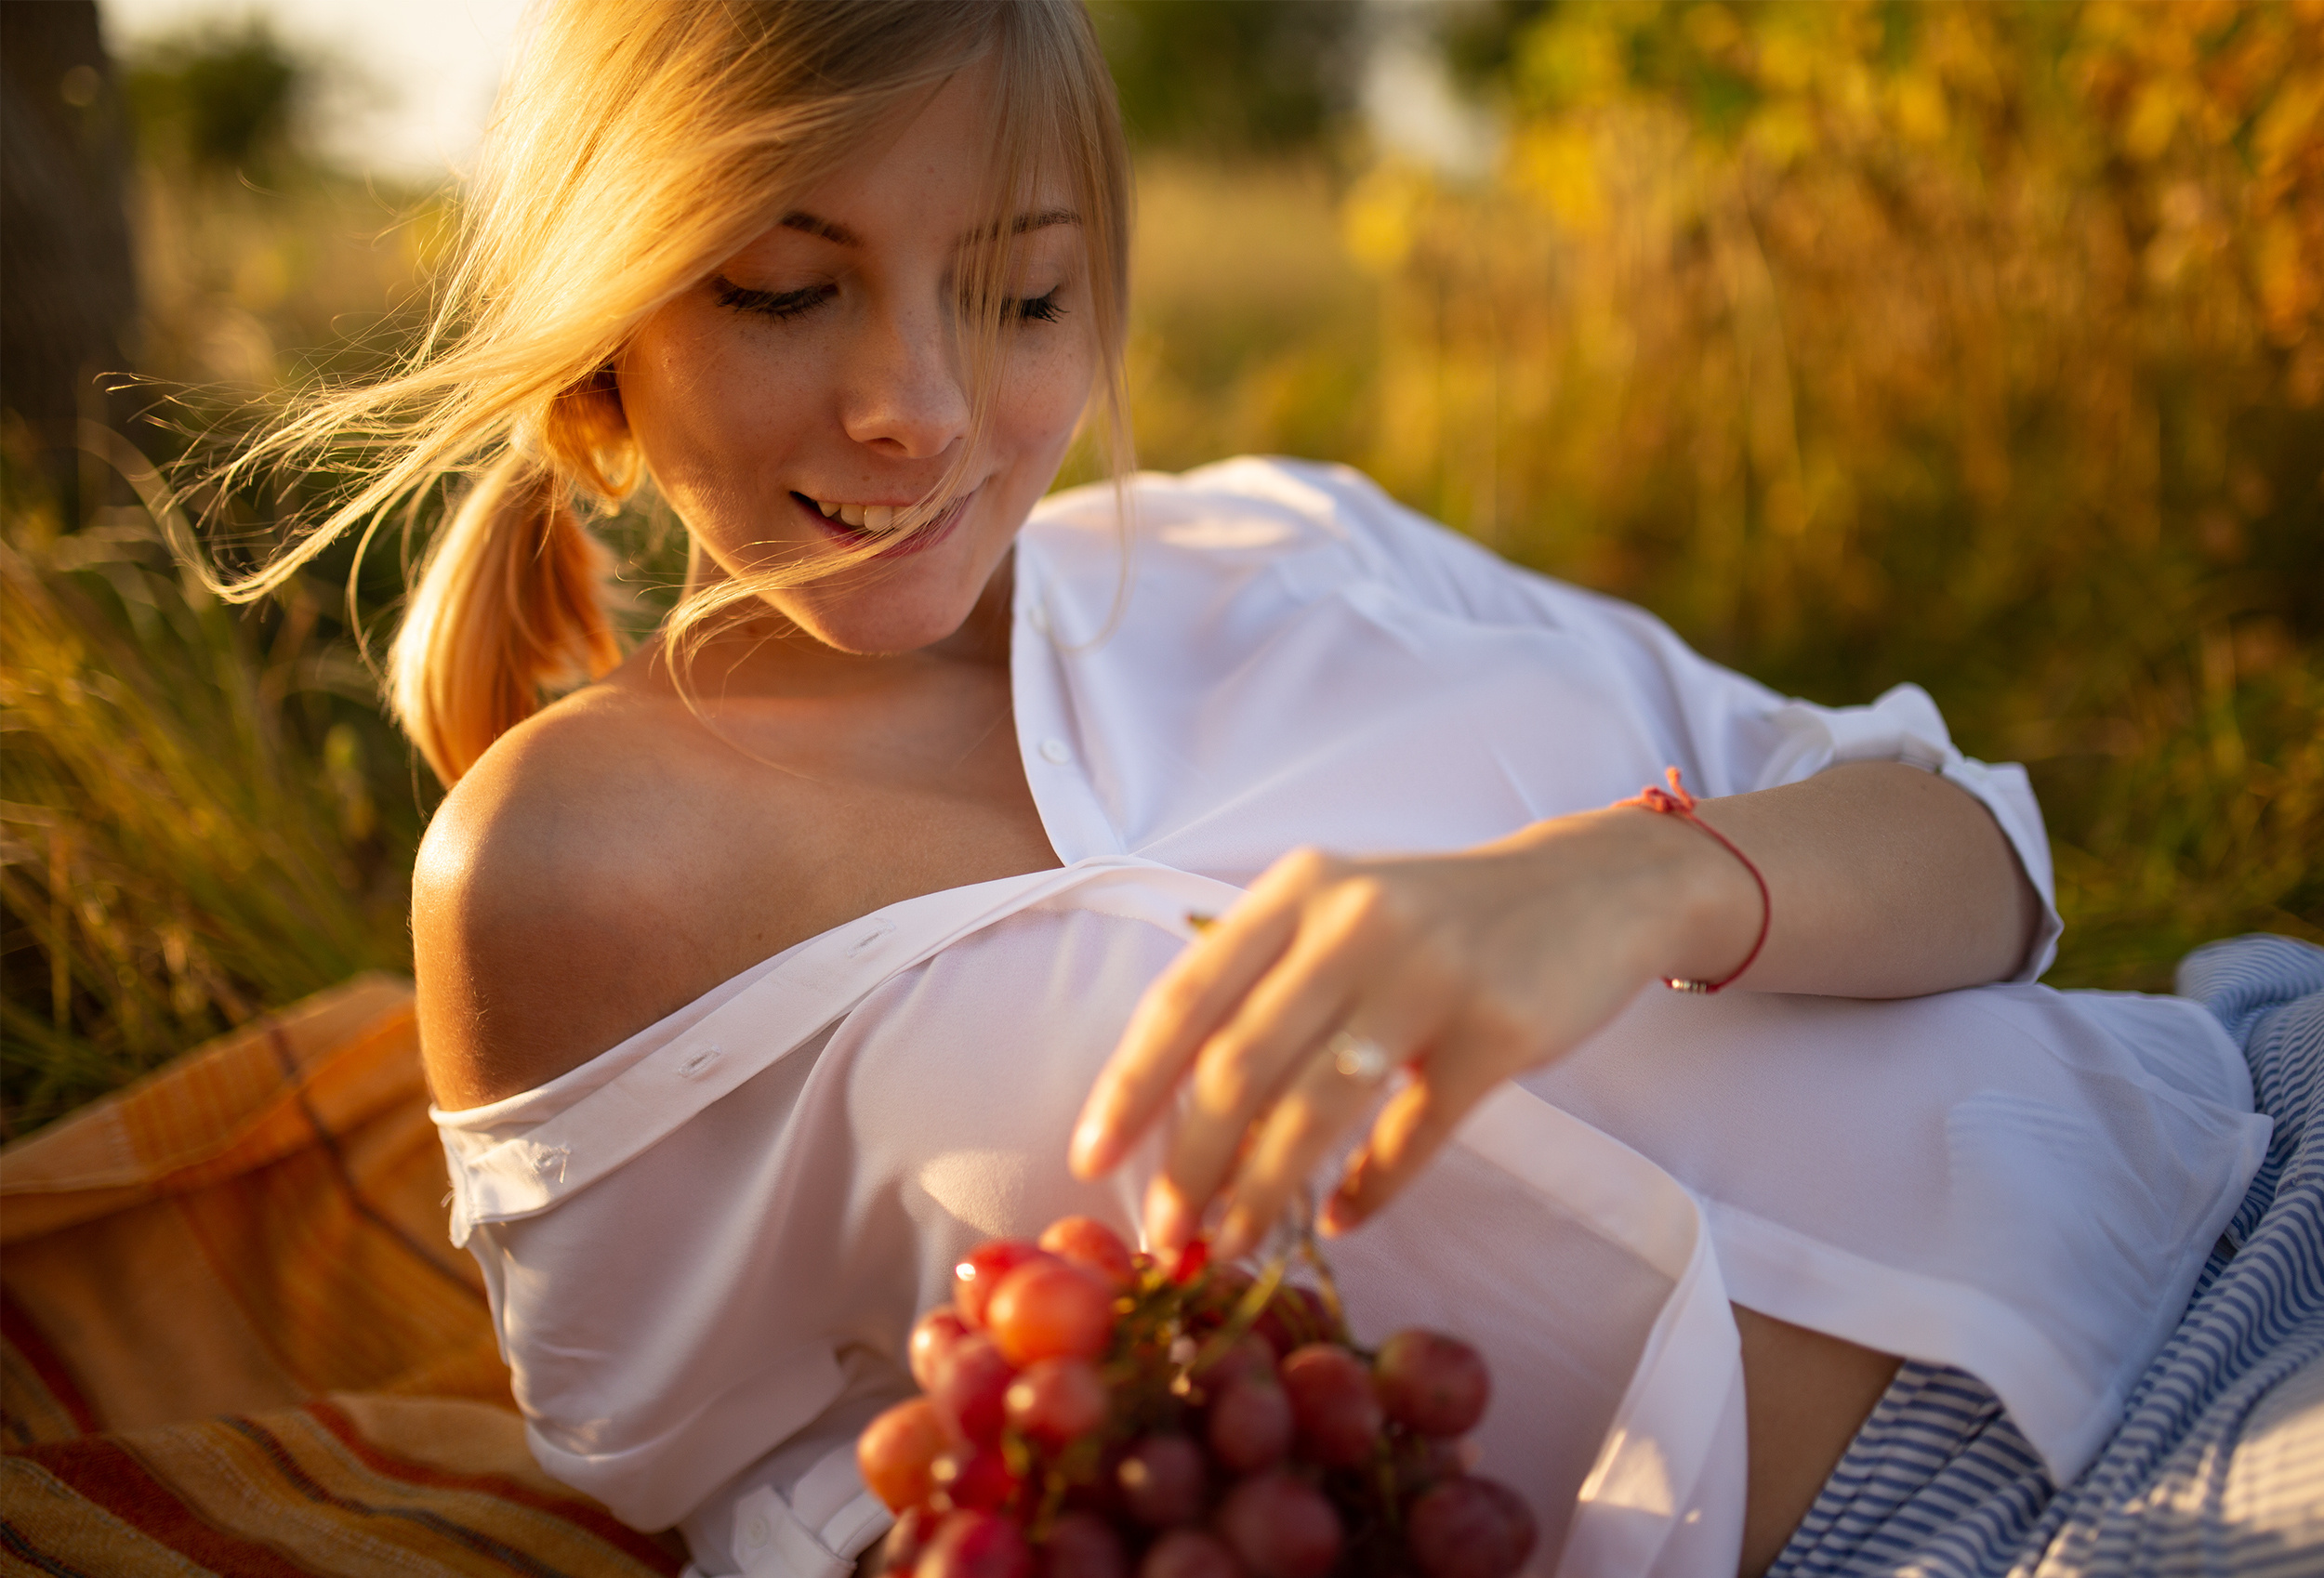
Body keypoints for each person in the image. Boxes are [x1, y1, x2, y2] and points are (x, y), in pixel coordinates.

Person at [227, 5, 2266, 1575]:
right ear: (605, 333)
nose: (921, 409)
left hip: (2239, 1158)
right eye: (784, 287)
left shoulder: (1282, 540)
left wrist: (1619, 890)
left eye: (1020, 293)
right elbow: (722, 1493)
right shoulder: (574, 866)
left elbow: (1981, 856)